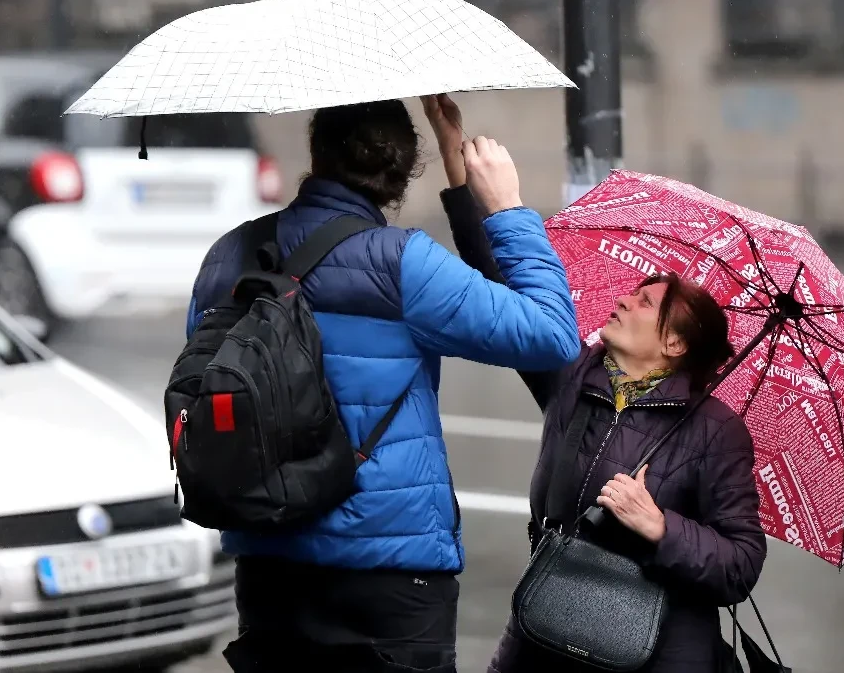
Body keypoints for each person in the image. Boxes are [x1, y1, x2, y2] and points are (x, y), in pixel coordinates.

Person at [184, 97, 582, 672]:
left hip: (269, 560)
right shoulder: (400, 263)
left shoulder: (229, 255)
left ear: (316, 152)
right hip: (392, 572)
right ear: (401, 172)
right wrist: (506, 207)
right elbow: (550, 334)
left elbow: (201, 377)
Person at [427, 94, 768, 672]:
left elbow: (739, 564)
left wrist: (661, 526)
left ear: (675, 345)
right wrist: (454, 157)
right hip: (546, 630)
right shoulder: (573, 375)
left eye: (642, 304)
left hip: (656, 653)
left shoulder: (715, 431)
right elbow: (497, 276)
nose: (621, 303)